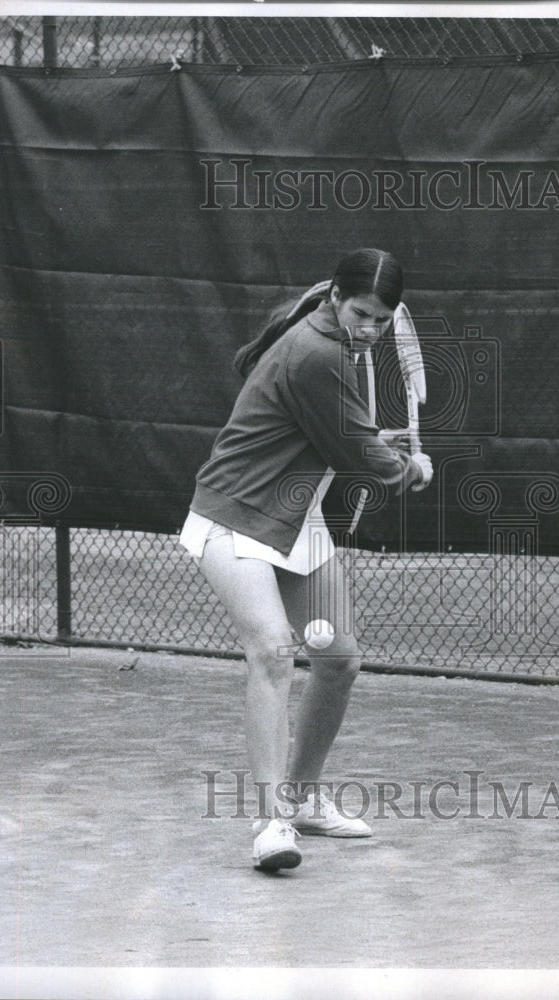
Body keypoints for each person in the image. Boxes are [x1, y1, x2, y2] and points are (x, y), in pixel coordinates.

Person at [179, 248, 434, 872]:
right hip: (233, 513)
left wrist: (380, 448)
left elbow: (344, 438)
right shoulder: (318, 352)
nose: (372, 328)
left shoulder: (341, 344)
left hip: (293, 515)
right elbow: (359, 459)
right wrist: (409, 467)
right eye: (362, 314)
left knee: (339, 657)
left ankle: (302, 799)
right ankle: (272, 825)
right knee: (270, 648)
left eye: (382, 318)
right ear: (335, 301)